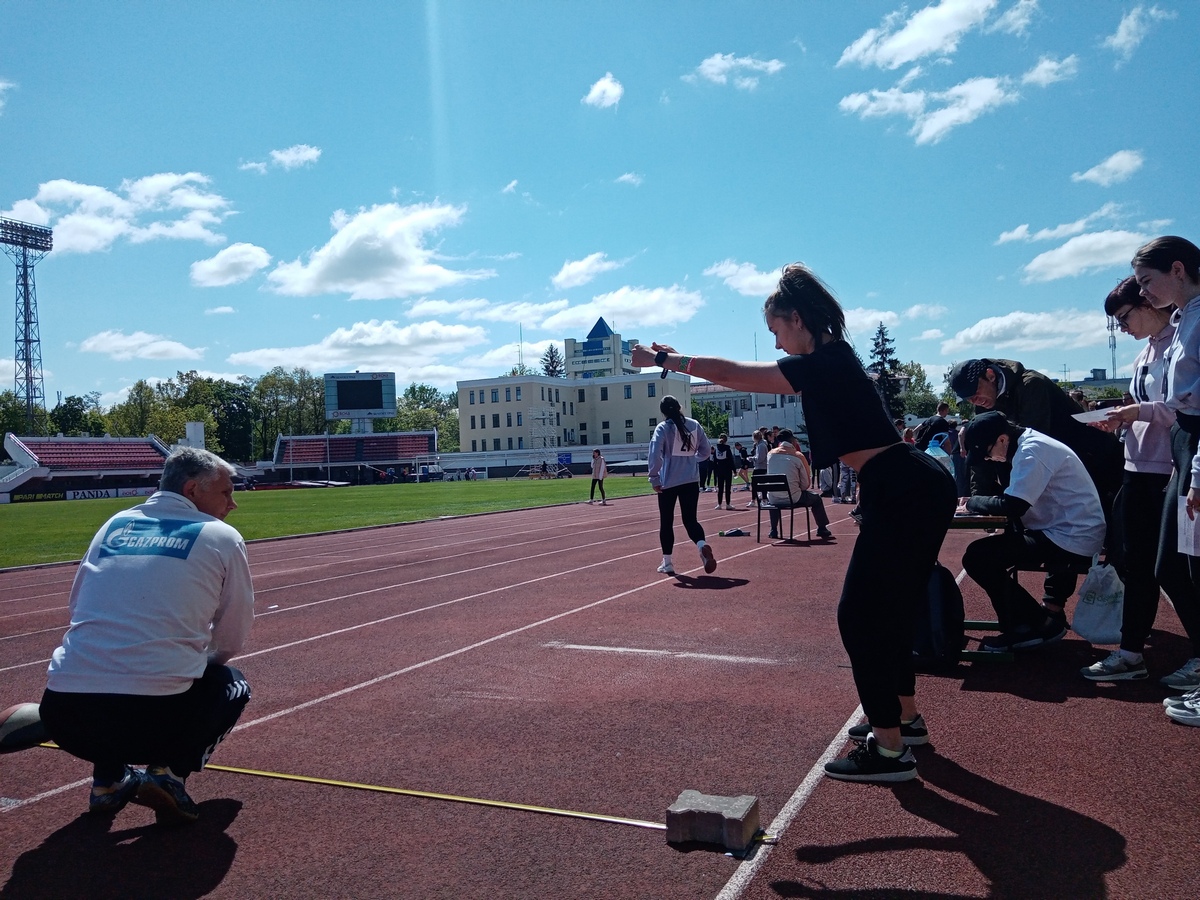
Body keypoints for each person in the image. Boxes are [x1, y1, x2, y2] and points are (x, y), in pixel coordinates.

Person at [634, 262, 956, 784]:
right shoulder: (832, 356)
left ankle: (891, 750)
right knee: (888, 611)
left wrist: (665, 359)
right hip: (907, 484)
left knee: (859, 617)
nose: (779, 345)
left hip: (903, 488)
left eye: (778, 331)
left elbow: (734, 375)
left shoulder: (825, 361)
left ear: (799, 319)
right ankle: (904, 721)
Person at [38, 447, 255, 824]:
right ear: (192, 490)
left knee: (106, 672)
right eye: (225, 492)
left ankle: (108, 780)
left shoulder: (114, 524)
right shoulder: (221, 536)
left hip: (65, 717)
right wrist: (195, 665)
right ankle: (168, 774)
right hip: (153, 723)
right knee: (232, 683)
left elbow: (78, 606)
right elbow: (232, 636)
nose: (232, 503)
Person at [1082, 277, 1185, 682]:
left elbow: (1182, 410)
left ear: (1148, 303)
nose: (1121, 328)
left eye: (1123, 318)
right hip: (1137, 468)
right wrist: (1122, 421)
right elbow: (1148, 408)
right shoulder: (1147, 352)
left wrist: (1137, 413)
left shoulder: (1183, 342)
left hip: (1170, 470)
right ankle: (1130, 652)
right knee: (1135, 565)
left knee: (1174, 570)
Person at [959, 412, 1106, 652]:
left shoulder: (1031, 451)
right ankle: (1027, 623)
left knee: (978, 557)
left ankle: (1034, 625)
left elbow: (1014, 505)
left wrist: (971, 503)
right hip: (1067, 531)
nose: (988, 459)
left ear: (1003, 440)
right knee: (984, 553)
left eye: (987, 452)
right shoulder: (1029, 445)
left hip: (1071, 537)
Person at [1132, 235, 1200, 708]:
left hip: (1195, 447)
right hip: (1186, 444)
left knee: (1191, 567)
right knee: (1172, 566)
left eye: (1146, 281)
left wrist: (1197, 471)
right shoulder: (1183, 321)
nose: (1143, 292)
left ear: (1178, 269)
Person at [949, 357, 1123, 505]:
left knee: (1113, 532)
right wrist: (979, 500)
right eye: (968, 399)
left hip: (1096, 462)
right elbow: (983, 449)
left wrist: (1002, 504)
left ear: (990, 375)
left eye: (975, 392)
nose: (974, 401)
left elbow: (1030, 450)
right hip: (1065, 472)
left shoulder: (1031, 385)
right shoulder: (985, 402)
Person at [646, 395, 717, 576]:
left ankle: (667, 562)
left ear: (663, 412)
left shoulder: (662, 428)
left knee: (666, 522)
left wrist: (654, 477)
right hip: (690, 480)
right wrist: (693, 460)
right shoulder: (694, 425)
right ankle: (702, 545)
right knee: (690, 520)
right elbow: (707, 451)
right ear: (680, 407)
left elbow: (655, 454)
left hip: (668, 482)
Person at [764, 429, 833, 540]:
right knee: (816, 499)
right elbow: (806, 484)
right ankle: (822, 528)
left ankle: (773, 529)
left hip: (772, 498)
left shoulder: (770, 455)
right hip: (793, 497)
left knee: (775, 494)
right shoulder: (798, 456)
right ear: (792, 440)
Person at [712, 433, 736, 510]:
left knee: (720, 488)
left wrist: (715, 471)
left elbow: (714, 461)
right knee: (727, 487)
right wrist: (734, 470)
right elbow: (731, 460)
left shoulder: (716, 449)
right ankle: (728, 504)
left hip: (719, 470)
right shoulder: (727, 449)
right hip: (727, 470)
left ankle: (719, 504)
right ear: (726, 440)